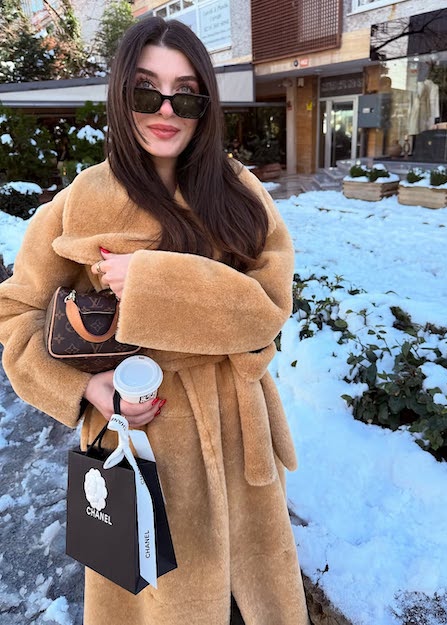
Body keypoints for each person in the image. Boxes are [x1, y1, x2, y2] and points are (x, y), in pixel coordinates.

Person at [0, 17, 310, 625]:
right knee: (163, 600)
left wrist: (151, 284)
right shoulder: (80, 202)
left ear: (205, 106)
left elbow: (267, 310)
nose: (166, 110)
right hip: (139, 446)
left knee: (252, 601)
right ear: (122, 95)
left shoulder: (239, 192)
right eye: (147, 91)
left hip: (238, 433)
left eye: (186, 94)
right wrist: (84, 390)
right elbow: (15, 313)